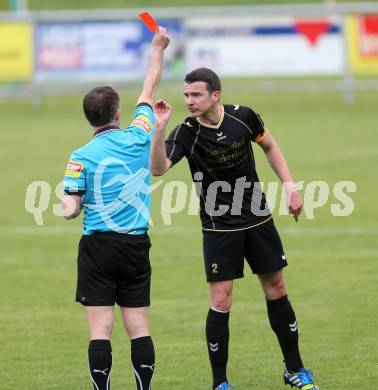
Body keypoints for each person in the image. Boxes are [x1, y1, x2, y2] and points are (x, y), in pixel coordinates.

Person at [150, 67, 320, 390]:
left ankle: (295, 369)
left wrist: (290, 186)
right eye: (186, 94)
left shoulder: (244, 117)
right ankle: (220, 382)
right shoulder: (186, 131)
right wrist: (159, 130)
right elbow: (158, 169)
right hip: (218, 227)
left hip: (258, 218)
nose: (189, 101)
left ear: (216, 95)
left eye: (196, 94)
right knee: (221, 300)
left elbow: (270, 146)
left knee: (277, 289)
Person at [61, 27, 170, 390]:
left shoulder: (79, 157)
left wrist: (69, 206)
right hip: (135, 245)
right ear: (118, 113)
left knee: (100, 329)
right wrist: (158, 48)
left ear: (89, 118)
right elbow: (149, 88)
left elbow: (73, 203)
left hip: (97, 248)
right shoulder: (140, 134)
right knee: (138, 327)